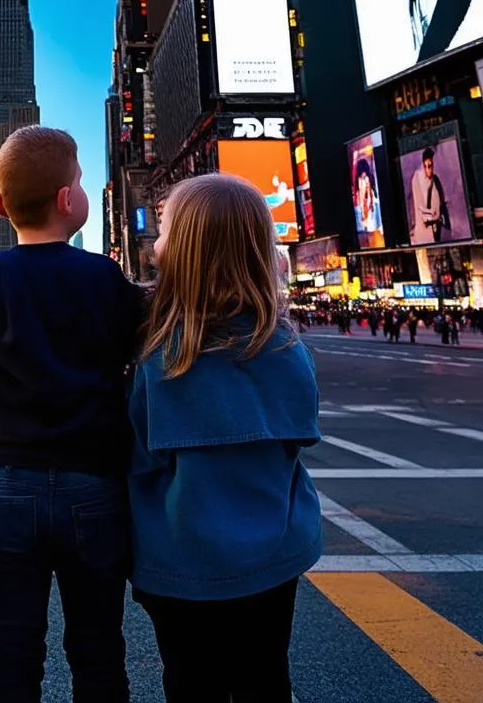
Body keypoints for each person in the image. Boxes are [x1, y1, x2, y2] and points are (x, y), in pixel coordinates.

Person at [0, 126, 142, 703]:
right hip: (94, 479)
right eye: (81, 181)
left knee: (13, 639)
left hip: (10, 482)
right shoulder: (104, 278)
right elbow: (133, 341)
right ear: (68, 201)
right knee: (97, 640)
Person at [128, 174, 321, 702]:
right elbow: (297, 443)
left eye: (163, 229)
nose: (155, 240)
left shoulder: (160, 355)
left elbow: (139, 460)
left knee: (190, 682)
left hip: (180, 561)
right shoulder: (285, 348)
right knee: (265, 677)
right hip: (271, 556)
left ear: (185, 249)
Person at [410, 147, 450, 244]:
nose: (429, 169)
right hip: (426, 228)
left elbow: (441, 200)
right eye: (426, 166)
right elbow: (418, 206)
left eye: (430, 166)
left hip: (437, 227)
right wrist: (432, 214)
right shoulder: (417, 178)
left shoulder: (435, 179)